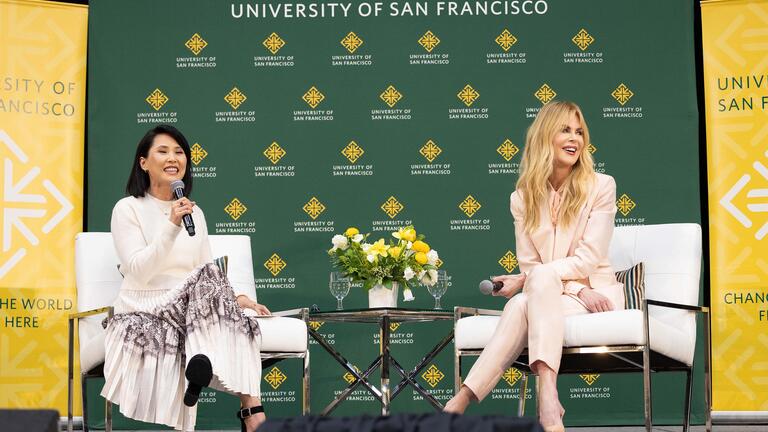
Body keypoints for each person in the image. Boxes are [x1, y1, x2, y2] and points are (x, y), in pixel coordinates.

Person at [443, 101, 624, 432]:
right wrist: (566, 285)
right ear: (544, 136)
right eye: (565, 130)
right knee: (525, 300)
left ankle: (462, 401)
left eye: (580, 132)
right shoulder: (521, 198)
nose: (575, 139)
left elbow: (587, 259)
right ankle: (549, 400)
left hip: (598, 295)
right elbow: (531, 264)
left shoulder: (602, 186)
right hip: (565, 293)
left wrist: (545, 280)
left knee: (522, 300)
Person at [101, 125, 271, 432]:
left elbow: (206, 267)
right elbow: (138, 270)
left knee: (235, 307)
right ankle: (251, 412)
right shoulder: (127, 209)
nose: (173, 158)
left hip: (190, 306)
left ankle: (221, 384)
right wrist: (171, 225)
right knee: (209, 282)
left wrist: (236, 298)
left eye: (179, 152)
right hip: (144, 302)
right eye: (163, 151)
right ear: (143, 163)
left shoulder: (196, 212)